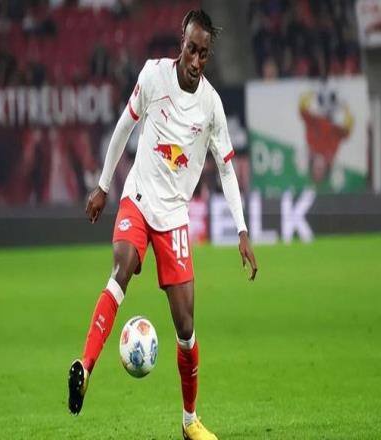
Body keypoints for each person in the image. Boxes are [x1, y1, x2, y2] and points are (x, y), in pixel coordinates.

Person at [68, 9, 258, 440]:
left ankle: (190, 421)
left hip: (173, 218)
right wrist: (103, 186)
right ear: (181, 43)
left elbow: (227, 169)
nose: (196, 60)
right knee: (120, 270)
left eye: (203, 54)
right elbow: (124, 127)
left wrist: (242, 230)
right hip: (137, 198)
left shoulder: (211, 106)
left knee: (186, 329)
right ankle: (86, 367)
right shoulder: (154, 76)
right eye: (191, 49)